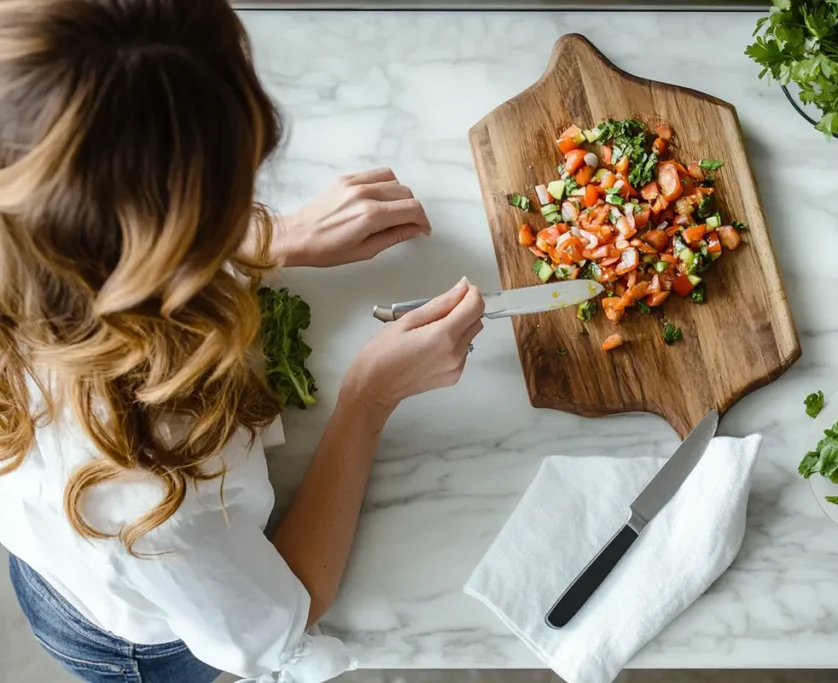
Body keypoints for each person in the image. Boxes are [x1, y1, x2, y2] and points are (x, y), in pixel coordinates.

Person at [0, 1, 484, 681]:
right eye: (229, 196)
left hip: (62, 556)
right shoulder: (152, 506)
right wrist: (370, 395)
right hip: (144, 640)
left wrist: (268, 238)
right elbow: (285, 617)